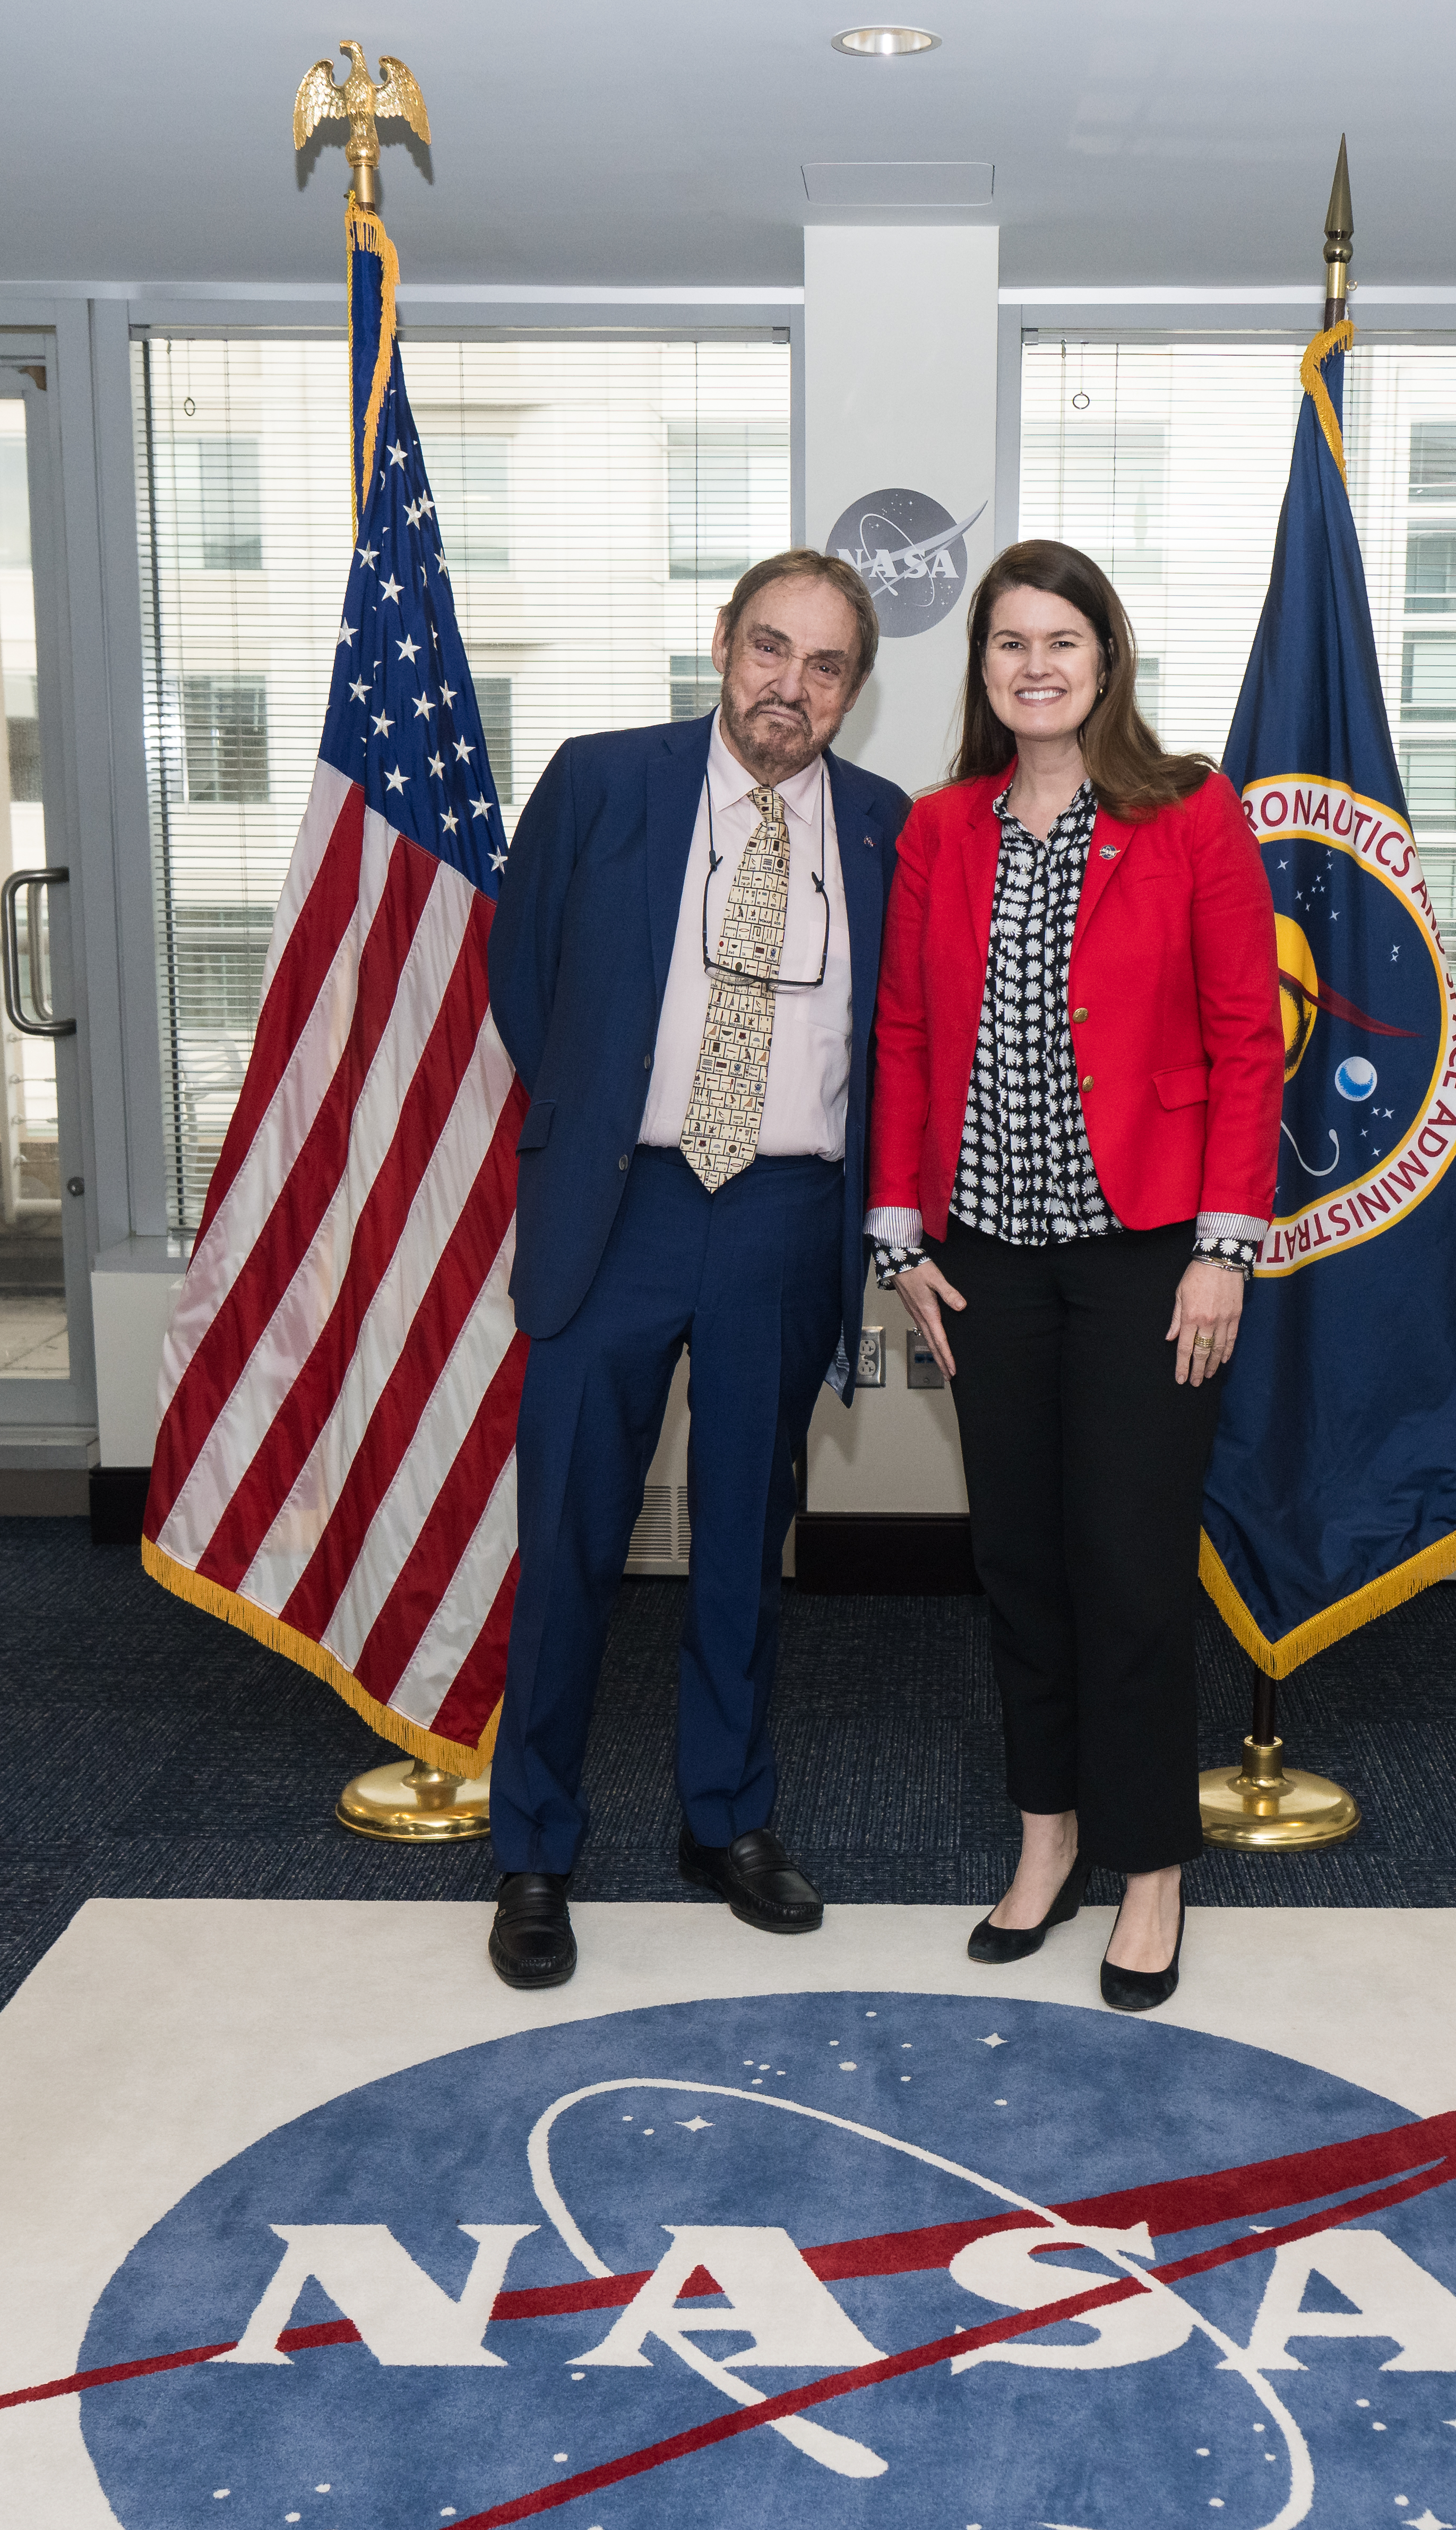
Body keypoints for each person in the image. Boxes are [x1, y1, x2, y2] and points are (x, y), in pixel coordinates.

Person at [866, 539, 1283, 2012]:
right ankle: (1047, 1841)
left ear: (1107, 660)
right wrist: (900, 1233)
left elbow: (1249, 1038)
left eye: (1062, 641)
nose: (1035, 666)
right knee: (1020, 1564)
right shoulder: (942, 829)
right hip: (985, 1261)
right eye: (1008, 645)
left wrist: (1226, 1246)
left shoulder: (1190, 815)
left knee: (1128, 1565)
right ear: (981, 670)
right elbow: (908, 1037)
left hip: (1150, 1258)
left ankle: (1151, 1868)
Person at [484, 549, 909, 1988]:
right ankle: (534, 1848)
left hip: (784, 1222)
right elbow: (523, 976)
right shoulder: (604, 782)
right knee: (571, 1544)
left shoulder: (883, 830)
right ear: (723, 643)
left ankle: (724, 1819)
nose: (790, 686)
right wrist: (610, 1123)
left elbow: (895, 1039)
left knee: (745, 1539)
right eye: (770, 648)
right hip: (624, 1209)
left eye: (827, 665)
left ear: (853, 689)